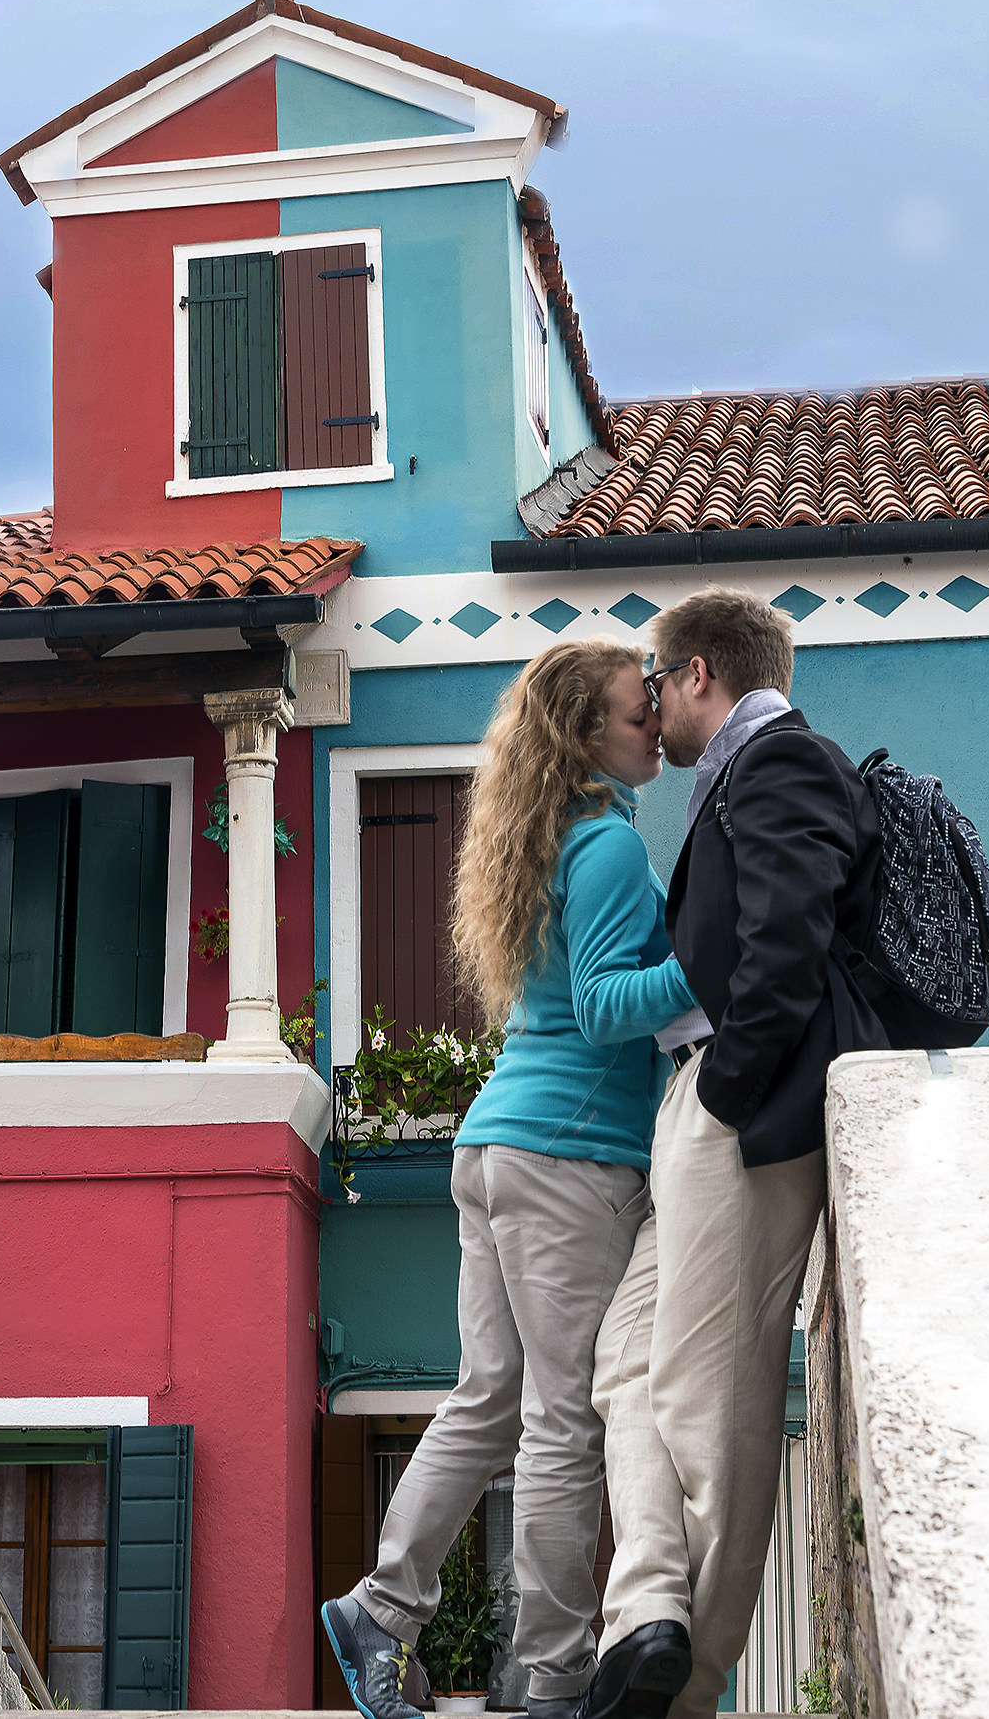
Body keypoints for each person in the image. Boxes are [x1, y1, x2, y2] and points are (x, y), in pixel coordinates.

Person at [323, 640, 697, 1719]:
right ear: (585, 737)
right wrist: (724, 953)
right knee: (564, 1420)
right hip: (570, 1157)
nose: (655, 725)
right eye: (638, 713)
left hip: (493, 1149)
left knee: (489, 1403)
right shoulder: (611, 849)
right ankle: (549, 1673)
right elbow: (610, 1007)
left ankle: (382, 1611)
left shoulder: (544, 839)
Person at [581, 587, 885, 1719]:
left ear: (699, 670)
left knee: (716, 1399)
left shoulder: (782, 761)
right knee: (628, 1361)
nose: (651, 707)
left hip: (737, 1111)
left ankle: (687, 1685)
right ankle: (648, 1615)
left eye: (655, 682)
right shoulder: (743, 776)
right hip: (703, 1107)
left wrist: (730, 1091)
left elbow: (789, 936)